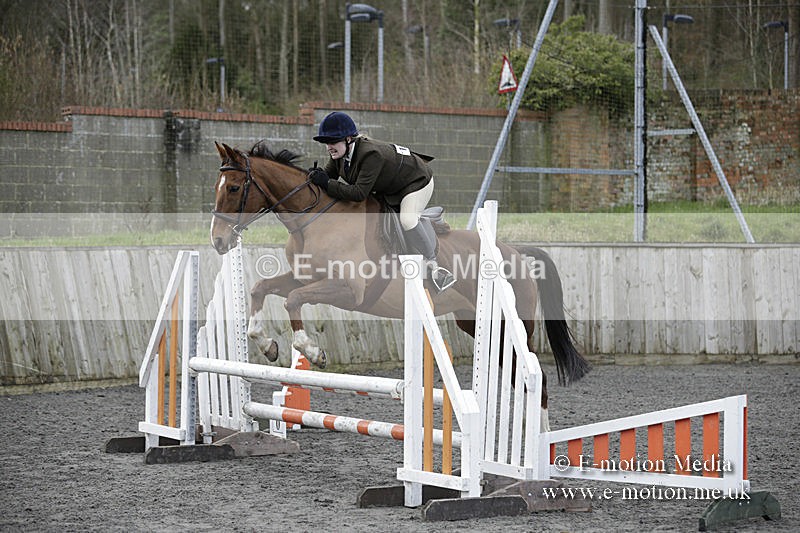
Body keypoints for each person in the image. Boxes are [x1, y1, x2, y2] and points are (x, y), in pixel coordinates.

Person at [308, 111, 455, 292]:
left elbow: (359, 193)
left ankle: (434, 266)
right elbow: (328, 177)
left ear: (348, 139)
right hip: (391, 185)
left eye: (332, 142)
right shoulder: (340, 154)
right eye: (326, 143)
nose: (328, 147)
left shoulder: (370, 155)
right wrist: (314, 177)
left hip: (416, 181)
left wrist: (326, 182)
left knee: (407, 220)